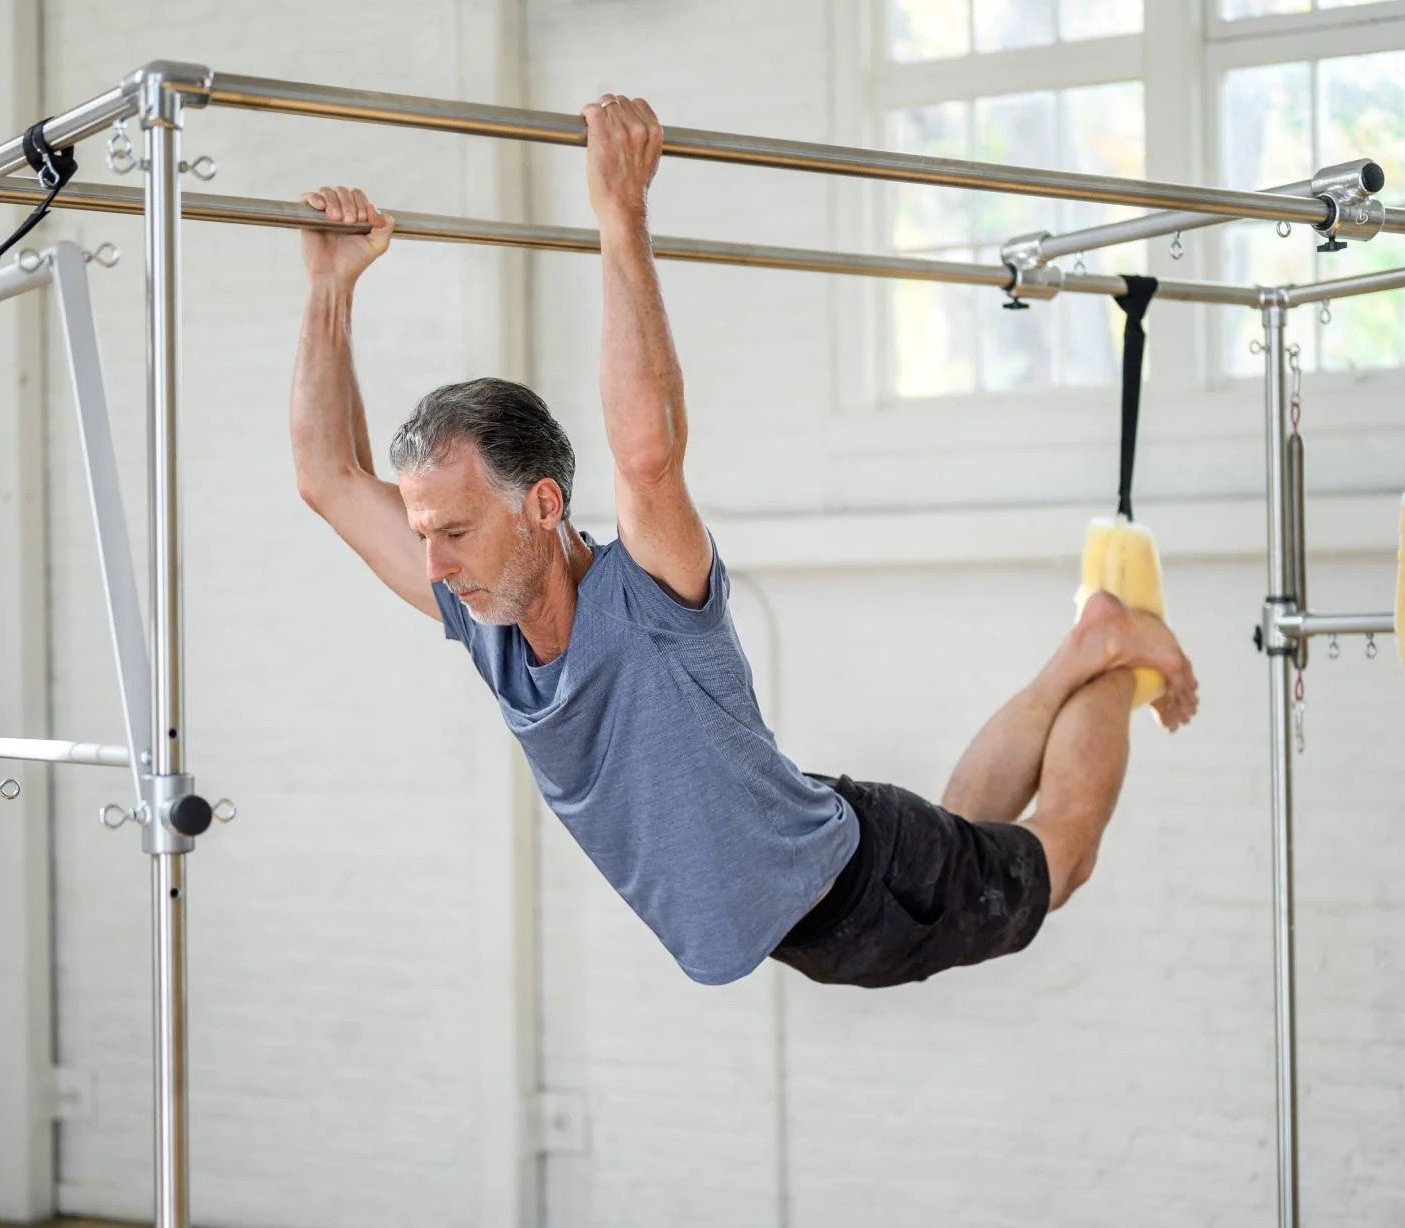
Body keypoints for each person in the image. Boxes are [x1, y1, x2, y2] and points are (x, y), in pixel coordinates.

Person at [288, 93, 1199, 988]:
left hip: (863, 891)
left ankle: (1110, 657)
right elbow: (328, 478)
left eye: (454, 530)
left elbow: (648, 453)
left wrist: (621, 217)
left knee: (1059, 856)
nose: (435, 564)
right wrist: (329, 291)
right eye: (425, 535)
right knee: (964, 828)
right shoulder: (481, 610)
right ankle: (1083, 649)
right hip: (827, 873)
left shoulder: (647, 595)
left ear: (541, 506)